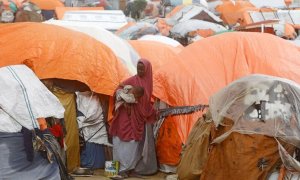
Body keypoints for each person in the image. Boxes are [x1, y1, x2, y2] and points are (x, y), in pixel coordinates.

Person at [109, 59, 157, 179]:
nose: (139, 71)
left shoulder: (148, 83)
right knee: (120, 144)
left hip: (138, 121)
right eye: (138, 68)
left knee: (134, 146)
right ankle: (114, 171)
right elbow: (117, 91)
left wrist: (151, 111)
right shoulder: (131, 80)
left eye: (142, 69)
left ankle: (128, 169)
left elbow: (145, 104)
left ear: (147, 70)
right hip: (124, 118)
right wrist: (124, 99)